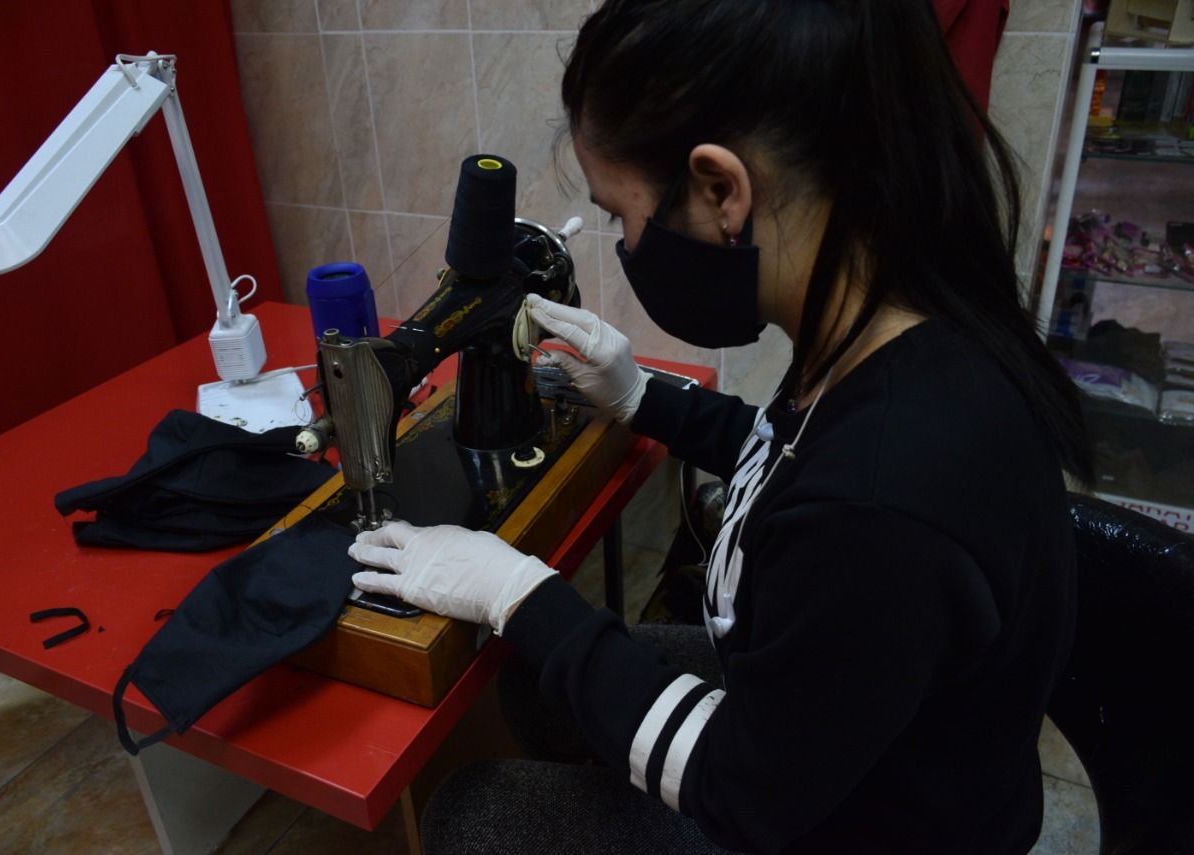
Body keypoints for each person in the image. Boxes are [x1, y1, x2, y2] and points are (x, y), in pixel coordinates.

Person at [348, 1, 1093, 852]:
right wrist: (642, 397)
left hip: (860, 823)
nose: (627, 243)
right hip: (865, 727)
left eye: (623, 216)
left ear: (721, 191)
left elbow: (746, 792)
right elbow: (796, 463)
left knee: (474, 814)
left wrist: (517, 591)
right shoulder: (898, 327)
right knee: (532, 684)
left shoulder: (884, 500)